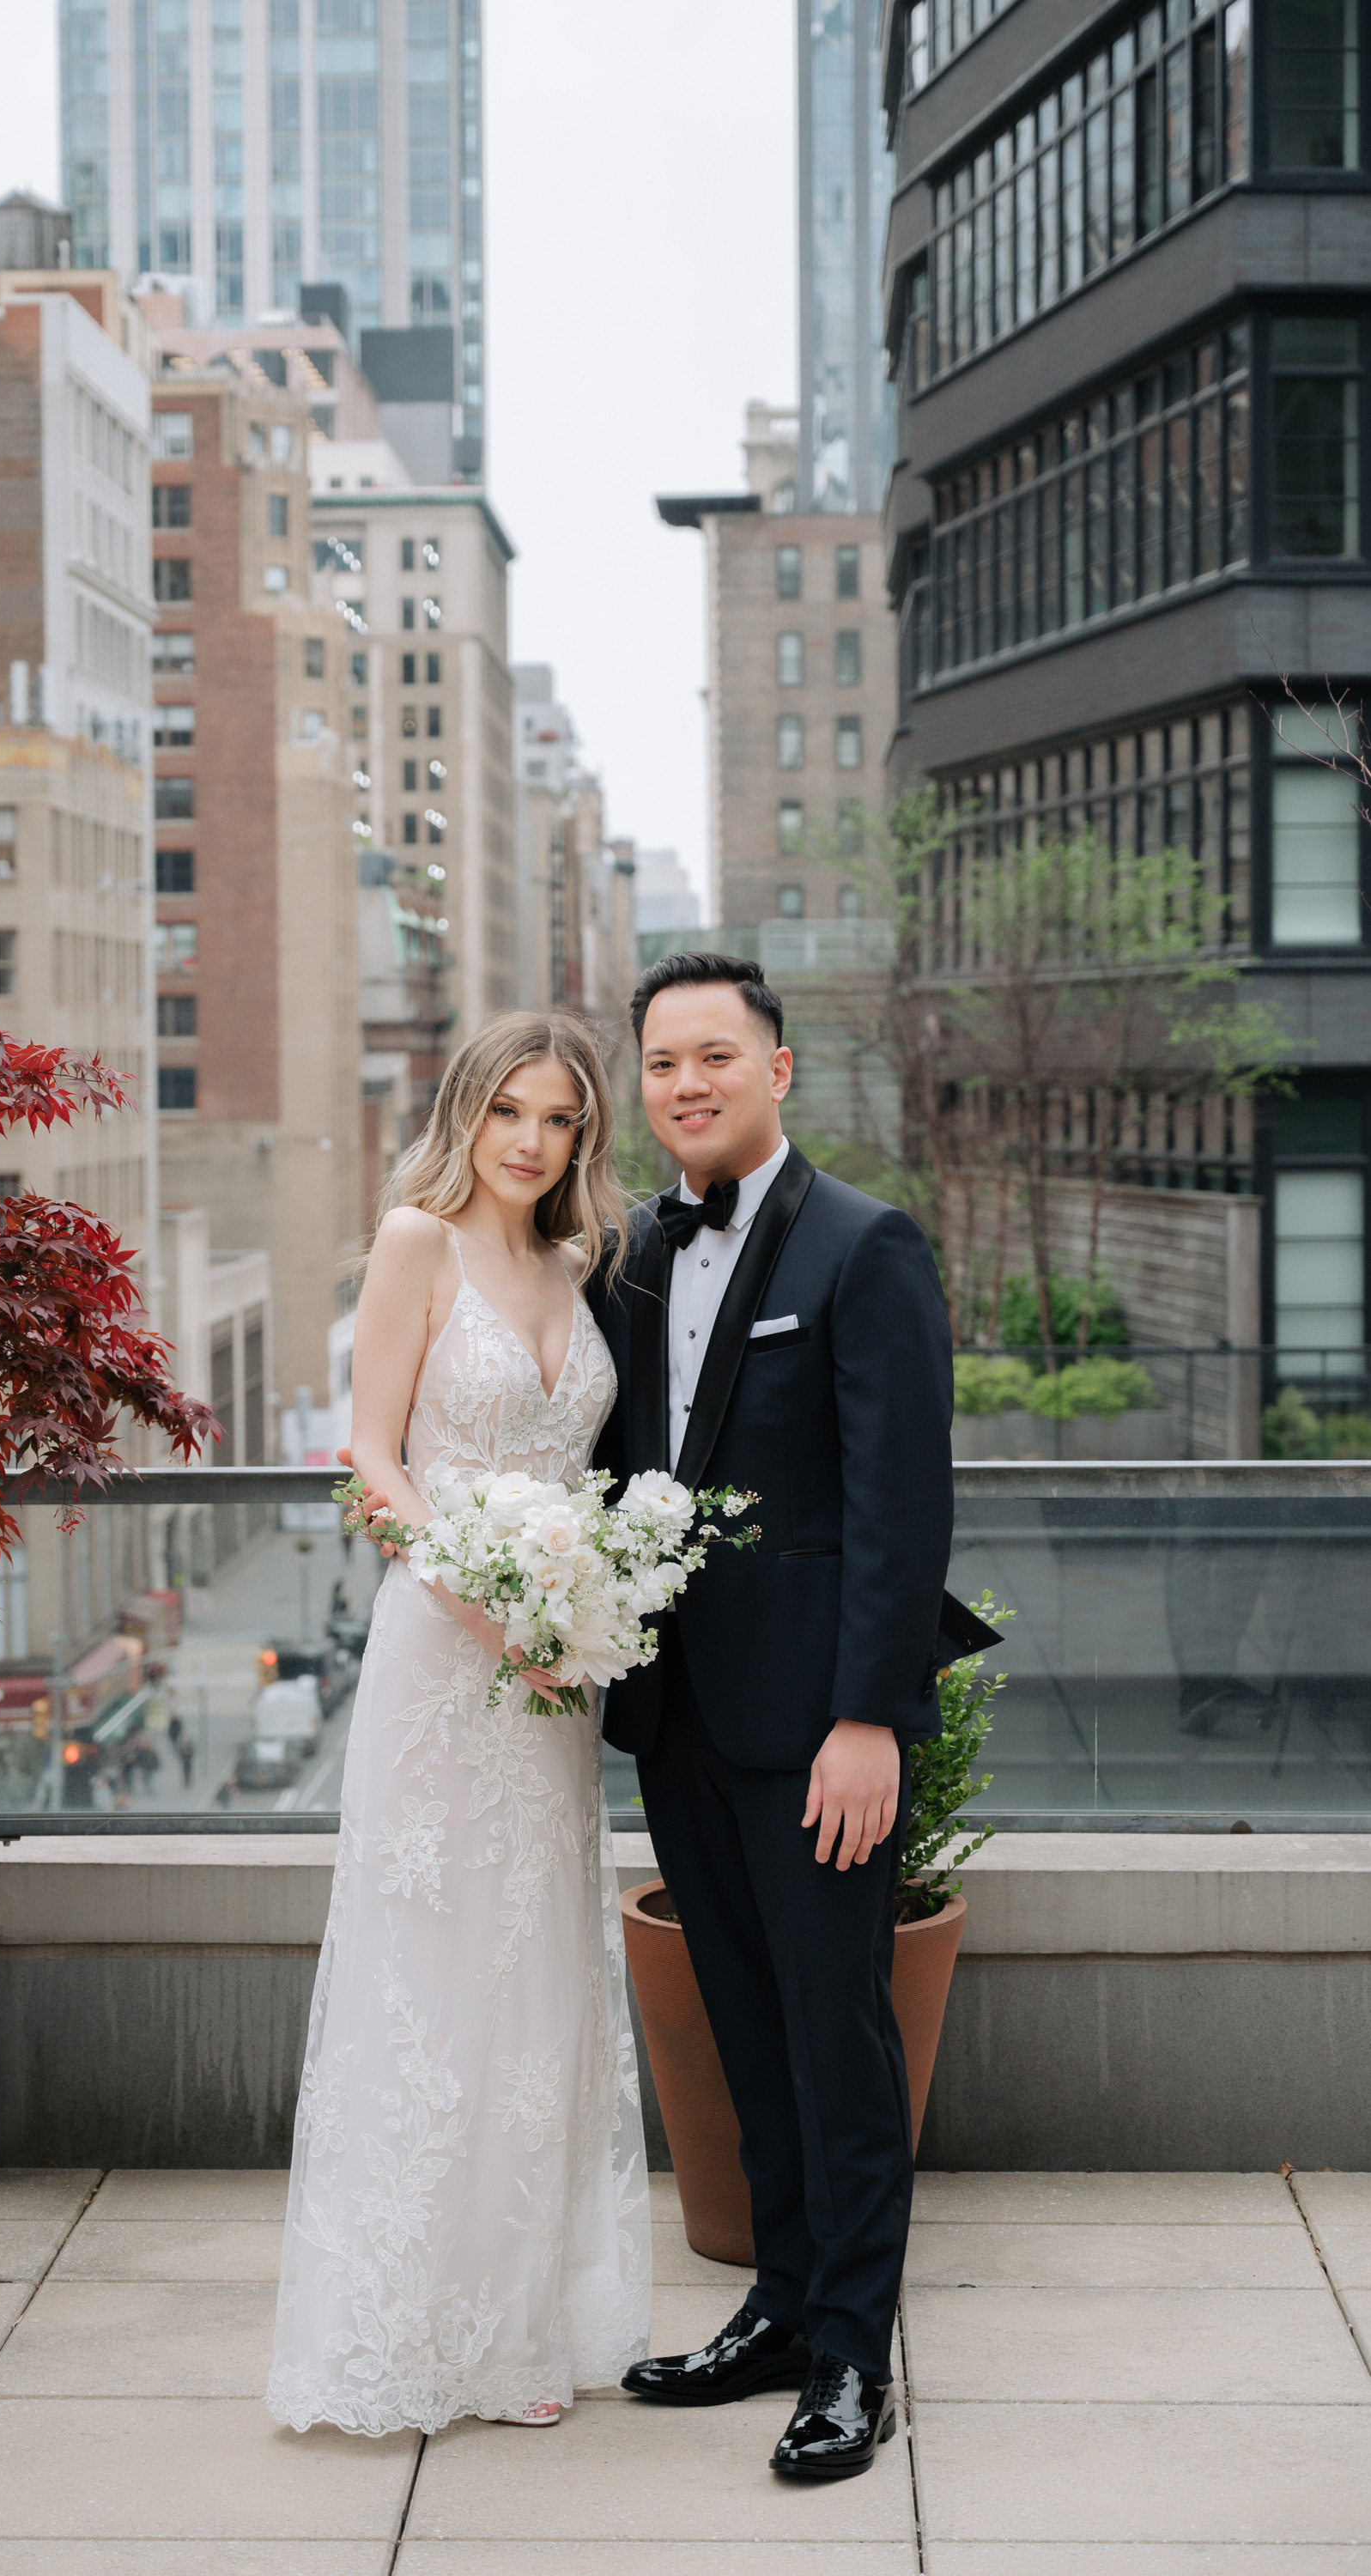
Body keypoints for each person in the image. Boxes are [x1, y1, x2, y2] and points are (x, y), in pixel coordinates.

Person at [588, 951, 954, 2484]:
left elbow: (901, 1502)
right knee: (746, 2027)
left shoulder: (867, 1247)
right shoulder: (628, 1257)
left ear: (779, 1070)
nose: (690, 1082)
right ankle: (785, 2305)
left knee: (838, 2034)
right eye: (665, 1060)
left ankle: (858, 2356)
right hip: (675, 1711)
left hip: (816, 1731)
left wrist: (868, 1718)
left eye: (717, 1056)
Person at [266, 1013, 651, 2439]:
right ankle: (398, 2335)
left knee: (539, 1980)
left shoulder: (577, 1263)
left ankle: (519, 2327)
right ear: (467, 1114)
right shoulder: (413, 1241)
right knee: (426, 1987)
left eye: (560, 1120)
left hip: (553, 1682)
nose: (532, 1143)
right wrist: (493, 1603)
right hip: (446, 1659)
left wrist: (579, 1609)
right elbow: (370, 1461)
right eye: (511, 1112)